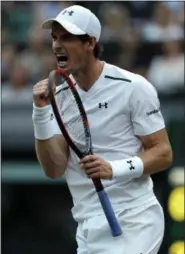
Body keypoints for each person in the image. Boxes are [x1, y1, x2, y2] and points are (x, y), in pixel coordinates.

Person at [32, 5, 173, 254]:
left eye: (66, 37)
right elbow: (53, 169)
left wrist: (113, 169)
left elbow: (163, 153)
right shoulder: (60, 97)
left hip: (135, 220)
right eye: (54, 37)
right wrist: (41, 113)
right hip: (88, 226)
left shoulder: (134, 87)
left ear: (90, 43)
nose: (56, 45)